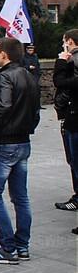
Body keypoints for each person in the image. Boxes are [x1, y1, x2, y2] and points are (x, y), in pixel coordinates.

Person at [0, 37, 40, 264]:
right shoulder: (28, 75)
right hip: (23, 142)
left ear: (4, 54)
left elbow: (3, 105)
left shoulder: (6, 76)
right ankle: (22, 245)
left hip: (5, 143)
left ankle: (8, 246)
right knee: (20, 196)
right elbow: (35, 111)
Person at [53, 29, 78, 212]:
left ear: (70, 41)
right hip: (72, 115)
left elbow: (61, 82)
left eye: (64, 41)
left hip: (74, 118)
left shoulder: (74, 60)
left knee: (75, 161)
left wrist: (61, 62)